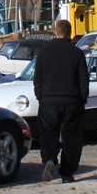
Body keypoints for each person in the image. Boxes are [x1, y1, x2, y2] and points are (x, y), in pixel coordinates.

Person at [33, 19, 90, 184]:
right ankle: (67, 173)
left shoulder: (44, 53)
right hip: (72, 101)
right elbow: (83, 80)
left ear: (55, 32)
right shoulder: (77, 53)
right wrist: (82, 97)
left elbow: (38, 79)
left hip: (49, 100)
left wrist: (40, 96)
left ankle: (49, 158)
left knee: (48, 133)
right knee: (72, 137)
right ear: (70, 33)